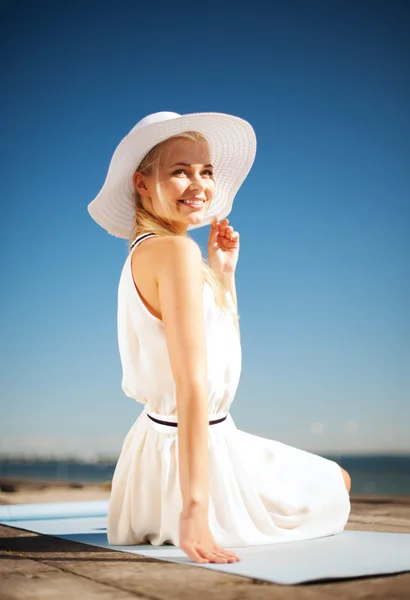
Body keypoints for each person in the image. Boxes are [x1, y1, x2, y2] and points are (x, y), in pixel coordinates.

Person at [88, 111, 352, 565]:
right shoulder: (174, 251)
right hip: (197, 465)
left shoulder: (151, 250)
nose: (199, 184)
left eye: (205, 171)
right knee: (338, 484)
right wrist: (195, 510)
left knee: (336, 480)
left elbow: (215, 352)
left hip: (157, 459)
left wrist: (223, 275)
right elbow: (192, 384)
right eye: (179, 171)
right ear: (142, 183)